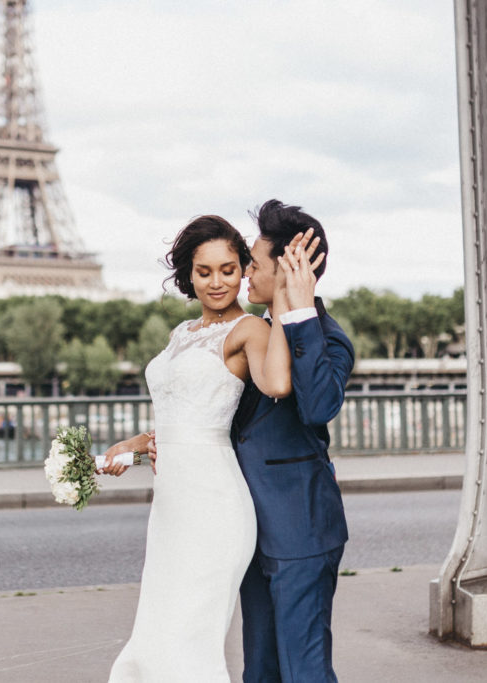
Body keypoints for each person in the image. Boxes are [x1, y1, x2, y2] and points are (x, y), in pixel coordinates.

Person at [102, 214, 293, 682]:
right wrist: (138, 444)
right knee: (158, 628)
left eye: (228, 269)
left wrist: (287, 300)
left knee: (190, 636)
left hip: (215, 505)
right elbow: (178, 415)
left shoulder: (250, 331)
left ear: (243, 269)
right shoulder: (180, 334)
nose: (216, 282)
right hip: (171, 506)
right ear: (188, 273)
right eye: (204, 271)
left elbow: (279, 384)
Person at [233, 199, 354, 683]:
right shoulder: (252, 334)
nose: (245, 272)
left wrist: (298, 309)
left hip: (301, 533)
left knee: (303, 672)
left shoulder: (328, 338)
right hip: (249, 532)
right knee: (259, 671)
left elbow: (320, 406)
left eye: (255, 263)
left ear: (289, 267)